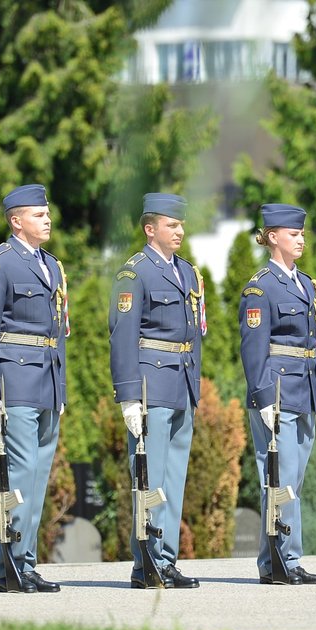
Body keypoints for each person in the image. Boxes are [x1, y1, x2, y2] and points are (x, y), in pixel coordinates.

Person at [0, 184, 68, 594]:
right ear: (16, 221)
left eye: (47, 214)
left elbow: (58, 331)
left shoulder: (52, 265)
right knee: (21, 477)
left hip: (46, 380)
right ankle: (8, 561)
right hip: (16, 378)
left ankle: (21, 562)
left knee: (38, 476)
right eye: (38, 215)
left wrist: (60, 386)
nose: (47, 220)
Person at [109, 192, 205, 589]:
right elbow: (122, 336)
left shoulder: (187, 272)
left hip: (181, 382)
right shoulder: (135, 273)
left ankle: (166, 558)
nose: (179, 231)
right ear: (151, 229)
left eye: (181, 224)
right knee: (150, 478)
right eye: (171, 225)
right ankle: (146, 559)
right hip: (152, 382)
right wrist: (129, 396)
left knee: (174, 476)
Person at [238, 203, 316, 586]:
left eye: (302, 234)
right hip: (275, 388)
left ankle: (286, 556)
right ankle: (278, 560)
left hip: (302, 389)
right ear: (273, 237)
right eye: (294, 234)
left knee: (294, 479)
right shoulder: (261, 287)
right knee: (279, 477)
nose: (301, 239)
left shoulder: (305, 284)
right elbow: (253, 347)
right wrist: (262, 396)